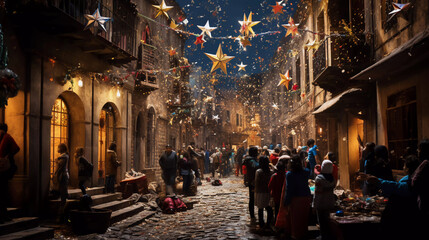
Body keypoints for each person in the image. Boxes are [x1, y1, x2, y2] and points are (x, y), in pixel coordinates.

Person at [358, 155, 421, 240]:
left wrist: (378, 181)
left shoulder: (412, 180)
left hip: (405, 217)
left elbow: (398, 187)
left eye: (404, 166)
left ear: (407, 169)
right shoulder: (410, 178)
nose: (403, 167)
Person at [284, 154, 312, 240]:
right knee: (304, 219)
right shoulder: (306, 172)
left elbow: (289, 189)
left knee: (295, 220)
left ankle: (296, 236)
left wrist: (286, 202)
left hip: (295, 199)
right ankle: (303, 235)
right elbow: (309, 169)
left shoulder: (289, 174)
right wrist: (307, 162)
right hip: (306, 198)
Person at [0, 123, 19, 223]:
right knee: (2, 192)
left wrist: (8, 156)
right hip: (2, 168)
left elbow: (16, 149)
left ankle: (3, 215)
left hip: (4, 169)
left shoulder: (7, 137)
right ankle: (3, 215)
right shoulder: (2, 138)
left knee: (2, 192)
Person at [313, 160, 336, 240]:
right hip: (330, 203)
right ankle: (328, 236)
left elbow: (317, 194)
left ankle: (323, 236)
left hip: (321, 204)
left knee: (321, 222)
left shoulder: (319, 179)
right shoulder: (332, 179)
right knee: (328, 221)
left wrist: (314, 205)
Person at [255, 156, 273, 229]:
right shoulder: (271, 171)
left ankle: (261, 223)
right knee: (269, 208)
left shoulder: (259, 171)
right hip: (268, 191)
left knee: (260, 208)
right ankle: (268, 223)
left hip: (260, 191)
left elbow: (257, 182)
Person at [53, 143, 69, 222]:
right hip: (62, 177)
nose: (57, 149)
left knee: (63, 197)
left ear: (62, 148)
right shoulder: (63, 157)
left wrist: (56, 160)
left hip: (62, 177)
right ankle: (61, 215)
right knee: (62, 196)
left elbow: (60, 166)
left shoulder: (63, 157)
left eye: (58, 147)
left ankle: (60, 216)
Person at [243, 146, 259, 221]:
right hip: (253, 181)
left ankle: (253, 214)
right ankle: (252, 215)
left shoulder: (249, 159)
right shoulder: (250, 160)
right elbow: (255, 166)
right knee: (252, 198)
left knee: (253, 198)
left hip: (252, 180)